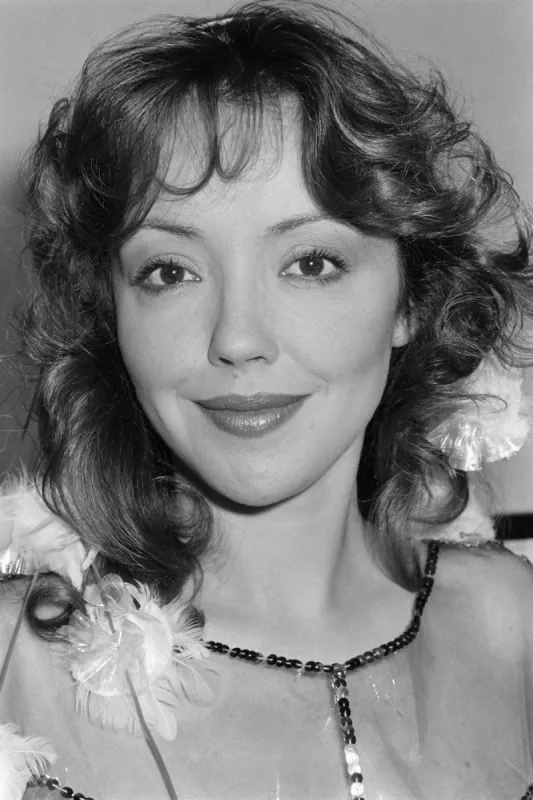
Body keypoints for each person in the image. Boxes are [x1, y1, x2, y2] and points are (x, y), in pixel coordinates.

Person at [0, 1, 532, 798]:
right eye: (169, 271)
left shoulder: (513, 625)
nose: (237, 338)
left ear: (408, 301)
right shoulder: (14, 668)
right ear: (111, 317)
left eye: (310, 262)